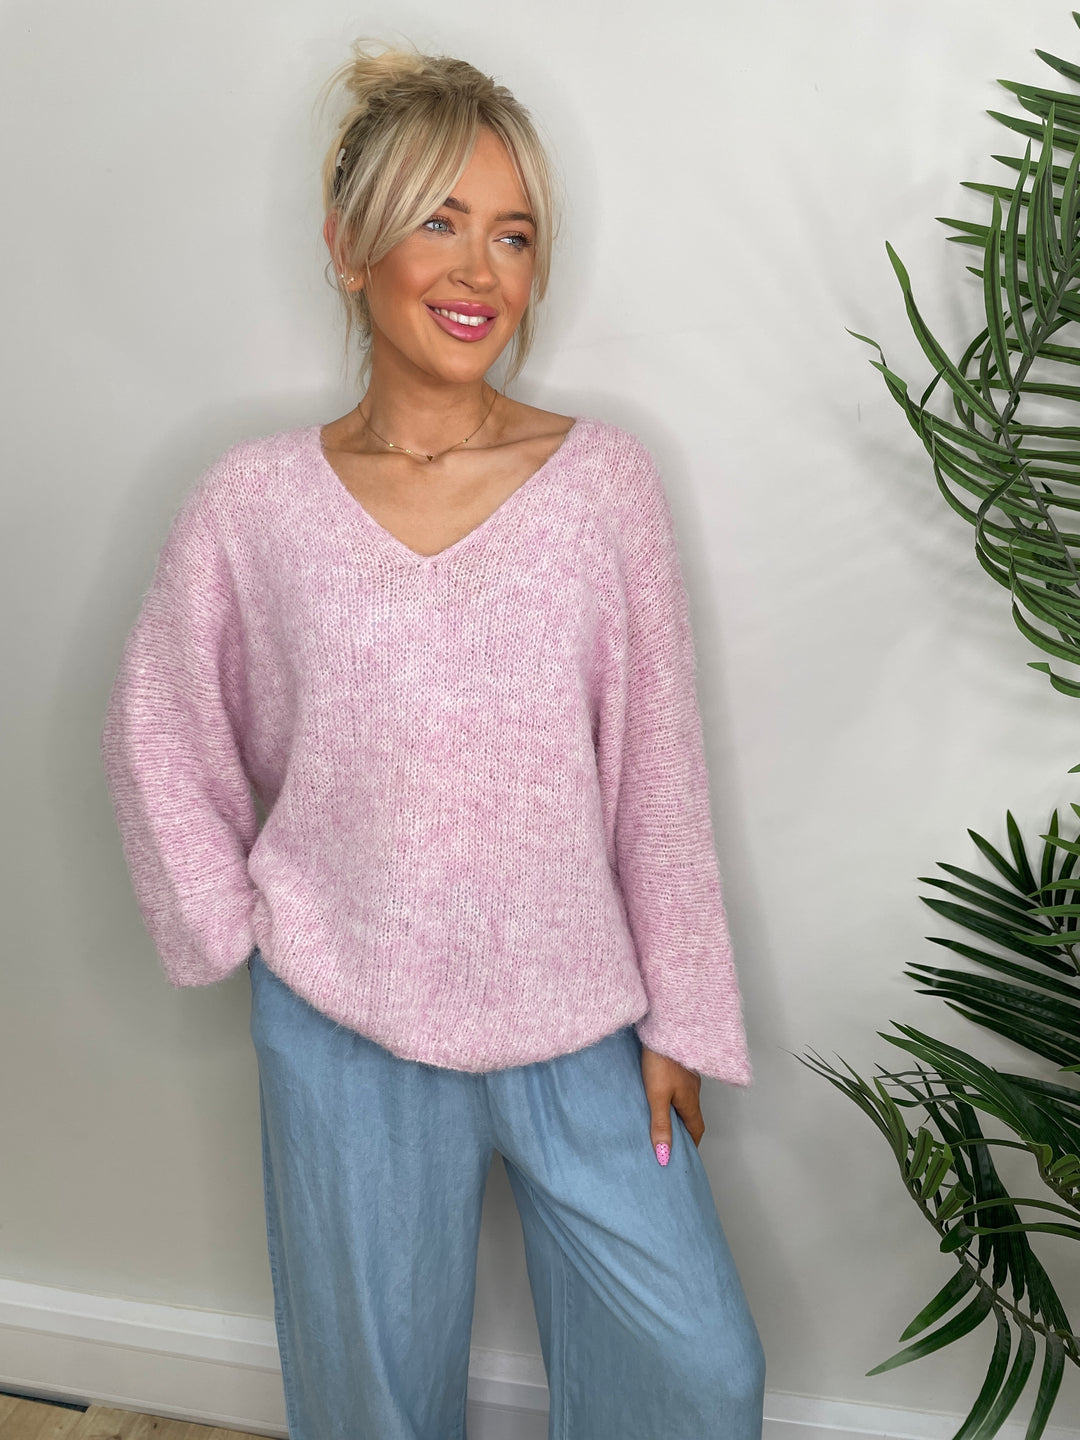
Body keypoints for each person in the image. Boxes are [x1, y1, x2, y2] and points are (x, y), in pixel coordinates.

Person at [100, 40, 766, 1440]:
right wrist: (238, 932)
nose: (480, 271)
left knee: (698, 1371)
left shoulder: (602, 487)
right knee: (371, 1403)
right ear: (349, 246)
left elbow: (656, 776)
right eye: (440, 223)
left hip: (580, 1016)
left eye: (513, 235)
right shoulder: (252, 504)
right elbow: (157, 722)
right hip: (340, 1018)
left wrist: (682, 1017)